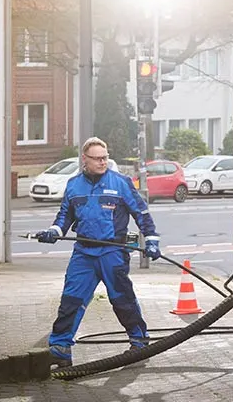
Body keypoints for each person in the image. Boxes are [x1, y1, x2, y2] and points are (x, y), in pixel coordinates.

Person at [35, 138, 162, 363]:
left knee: (122, 298)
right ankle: (60, 348)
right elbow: (65, 215)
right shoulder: (74, 185)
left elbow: (141, 213)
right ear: (85, 159)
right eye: (98, 158)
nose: (103, 162)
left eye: (105, 157)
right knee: (71, 298)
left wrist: (151, 240)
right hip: (83, 253)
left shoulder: (121, 182)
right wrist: (54, 231)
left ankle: (139, 341)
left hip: (112, 252)